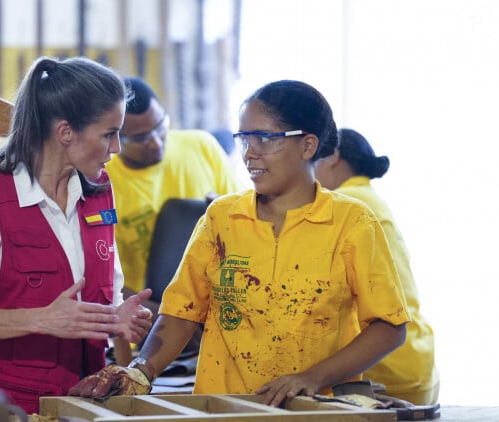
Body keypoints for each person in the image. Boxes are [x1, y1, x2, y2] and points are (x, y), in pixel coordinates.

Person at [69, 79, 410, 407]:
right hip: (226, 408)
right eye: (244, 139)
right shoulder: (222, 218)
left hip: (314, 409)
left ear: (307, 145)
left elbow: (389, 326)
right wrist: (142, 371)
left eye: (263, 138)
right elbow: (181, 314)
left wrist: (312, 377)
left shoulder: (352, 223)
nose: (249, 154)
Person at [0, 56, 154, 414]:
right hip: (1, 409)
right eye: (109, 135)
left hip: (79, 405)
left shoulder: (99, 189)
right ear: (66, 132)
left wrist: (115, 318)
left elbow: (100, 291)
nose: (117, 149)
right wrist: (40, 319)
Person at [105, 77, 244, 364]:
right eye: (139, 138)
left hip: (216, 316)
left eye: (160, 127)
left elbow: (246, 227)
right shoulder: (102, 178)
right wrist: (163, 316)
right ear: (115, 137)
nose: (155, 142)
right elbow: (100, 271)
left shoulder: (201, 147)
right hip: (145, 323)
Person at [313, 127, 439, 405]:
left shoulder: (348, 205)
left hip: (384, 360)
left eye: (313, 159)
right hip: (413, 356)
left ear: (333, 155)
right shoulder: (369, 198)